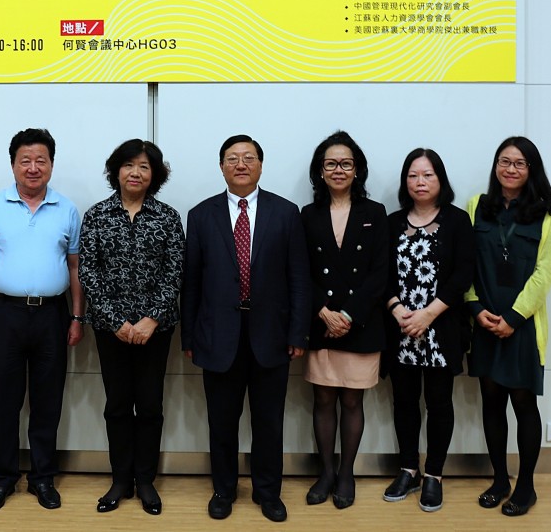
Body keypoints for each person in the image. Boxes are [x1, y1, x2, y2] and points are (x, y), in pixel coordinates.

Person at [181, 134, 311, 523]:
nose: (241, 164)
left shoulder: (286, 212)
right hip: (217, 335)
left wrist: (297, 334)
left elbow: (299, 279)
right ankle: (223, 490)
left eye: (249, 157)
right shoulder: (200, 215)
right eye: (233, 158)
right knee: (222, 422)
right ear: (221, 166)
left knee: (269, 422)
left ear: (260, 165)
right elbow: (192, 283)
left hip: (271, 335)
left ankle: (268, 492)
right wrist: (189, 336)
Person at [0, 128, 85, 512]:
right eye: (25, 161)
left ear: (51, 164)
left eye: (41, 160)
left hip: (52, 314)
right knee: (3, 401)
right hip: (4, 314)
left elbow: (75, 267)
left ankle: (42, 477)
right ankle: (2, 478)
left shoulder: (67, 209)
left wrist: (77, 316)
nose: (33, 168)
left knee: (47, 401)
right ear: (13, 164)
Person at [78, 139, 185, 516]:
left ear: (154, 174)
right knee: (118, 405)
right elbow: (88, 271)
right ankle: (120, 479)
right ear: (116, 171)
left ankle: (146, 480)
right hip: (111, 330)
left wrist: (150, 319)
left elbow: (175, 271)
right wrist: (117, 322)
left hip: (157, 329)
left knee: (151, 405)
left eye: (143, 166)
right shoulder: (97, 215)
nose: (135, 173)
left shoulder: (167, 217)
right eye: (128, 165)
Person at [466, 136, 551, 517]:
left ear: (531, 170)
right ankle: (499, 480)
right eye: (504, 161)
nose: (510, 169)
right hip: (484, 322)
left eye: (519, 163)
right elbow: (465, 262)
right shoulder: (476, 206)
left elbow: (544, 274)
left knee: (523, 403)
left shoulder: (547, 216)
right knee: (491, 402)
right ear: (496, 166)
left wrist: (513, 317)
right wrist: (475, 308)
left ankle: (526, 486)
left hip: (522, 326)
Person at [382, 148, 475, 512]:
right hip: (401, 328)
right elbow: (380, 272)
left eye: (428, 175)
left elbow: (463, 273)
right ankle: (408, 469)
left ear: (440, 179)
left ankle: (434, 474)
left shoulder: (457, 220)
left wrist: (428, 314)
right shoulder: (391, 222)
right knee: (404, 402)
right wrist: (398, 310)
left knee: (439, 403)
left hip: (440, 328)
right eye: (413, 175)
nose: (420, 182)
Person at [300, 131, 387, 510]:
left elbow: (381, 273)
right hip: (321, 322)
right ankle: (326, 472)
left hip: (360, 323)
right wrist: (322, 311)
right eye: (331, 163)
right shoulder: (307, 215)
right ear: (320, 171)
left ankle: (347, 473)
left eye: (346, 163)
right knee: (322, 398)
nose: (338, 169)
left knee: (352, 400)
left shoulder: (375, 213)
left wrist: (349, 315)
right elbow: (300, 270)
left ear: (357, 170)